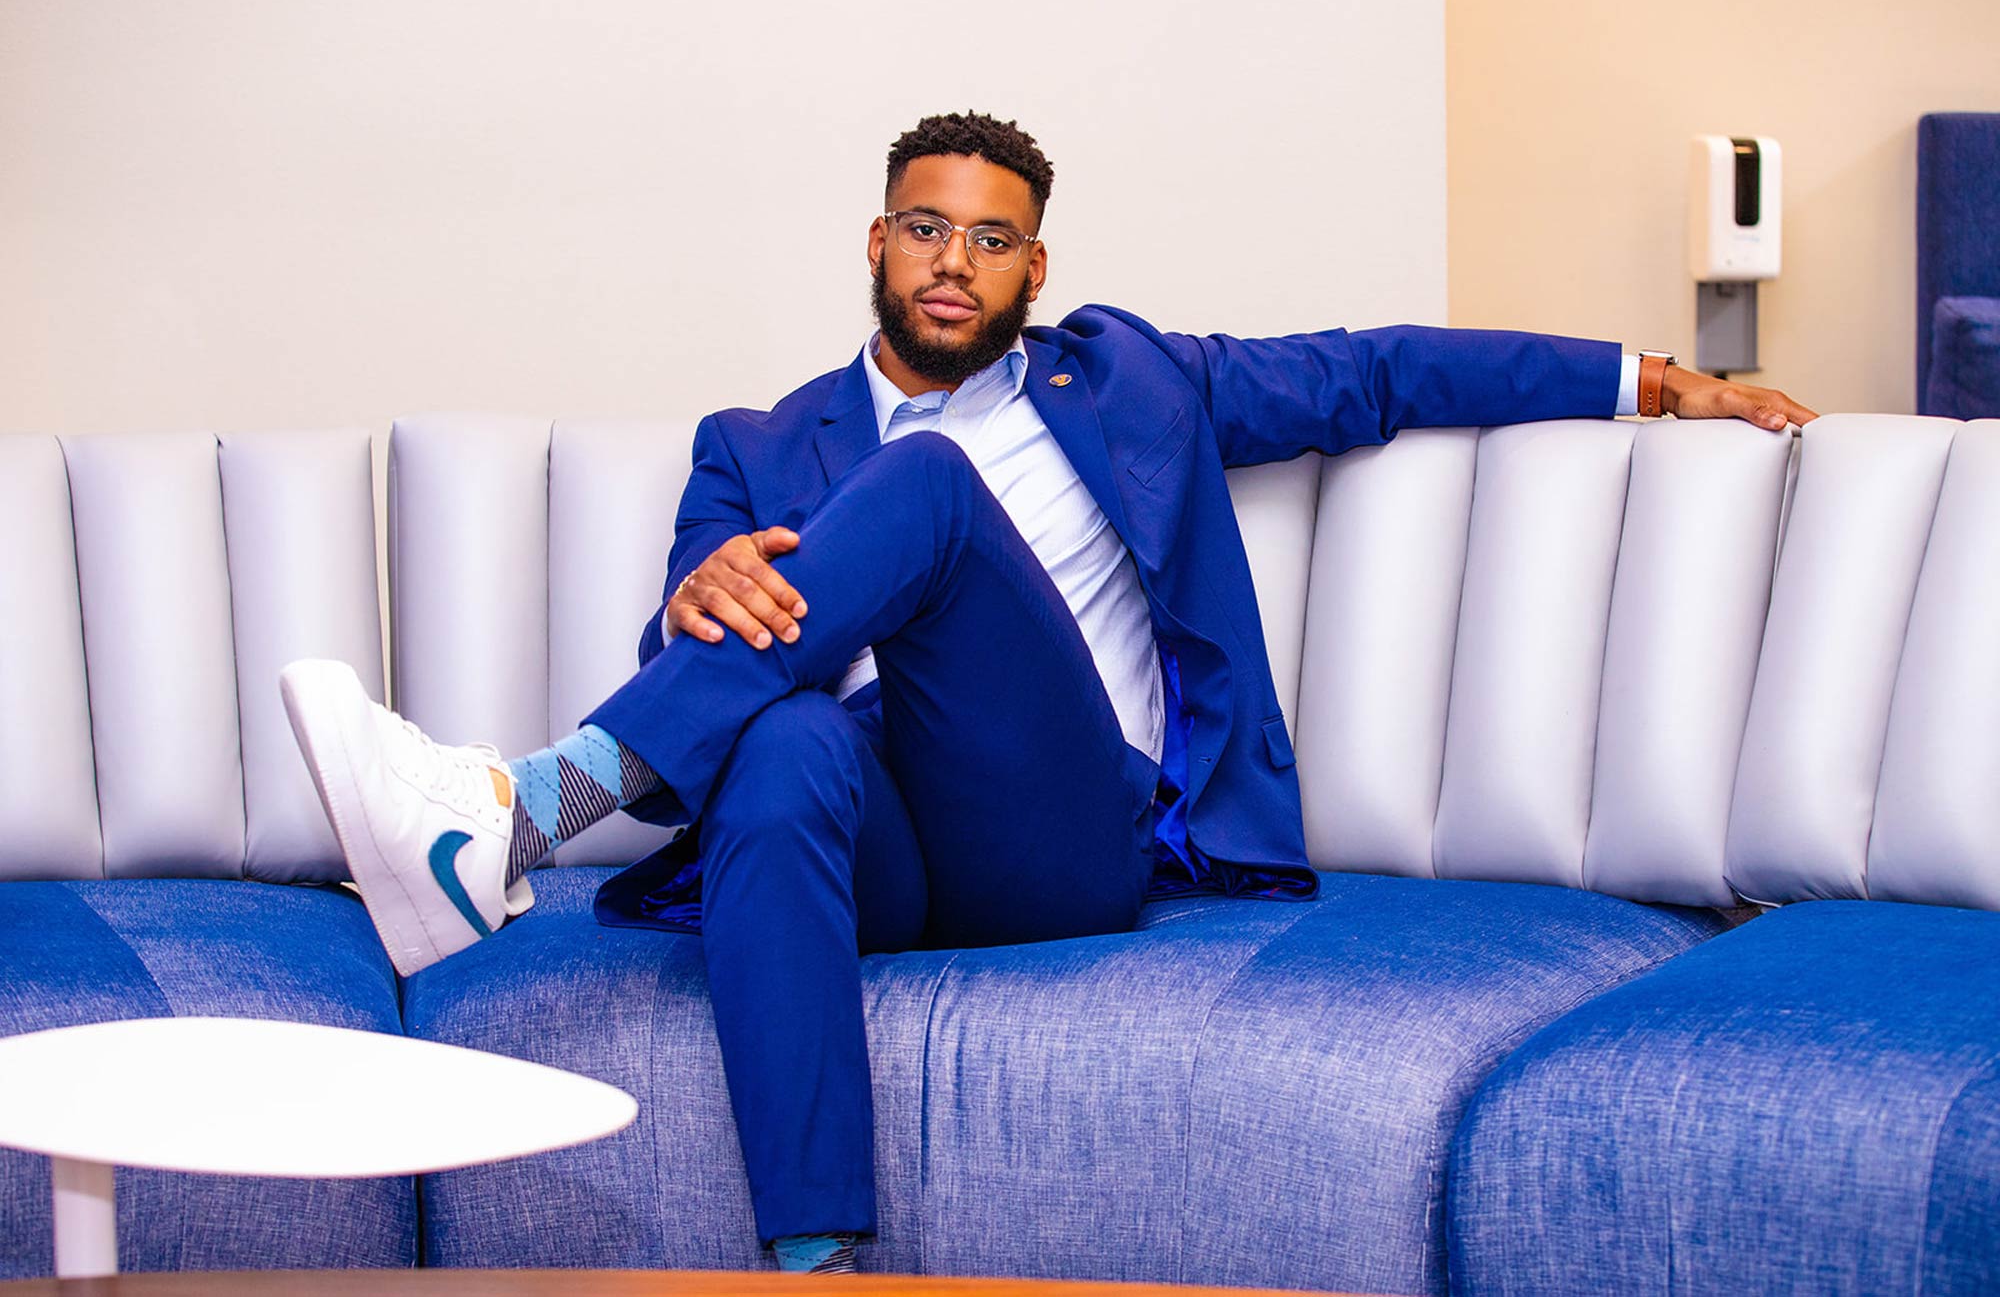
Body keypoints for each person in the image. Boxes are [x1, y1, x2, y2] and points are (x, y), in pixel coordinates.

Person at [278, 111, 1817, 1275]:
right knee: (793, 732)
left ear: (1035, 265)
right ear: (873, 247)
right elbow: (703, 648)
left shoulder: (1137, 378)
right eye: (926, 228)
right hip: (858, 844)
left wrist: (1663, 380)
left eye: (993, 237)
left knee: (932, 486)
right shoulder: (752, 443)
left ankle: (521, 810)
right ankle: (818, 1259)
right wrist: (694, 599)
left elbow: (1382, 368)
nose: (956, 259)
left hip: (1060, 828)